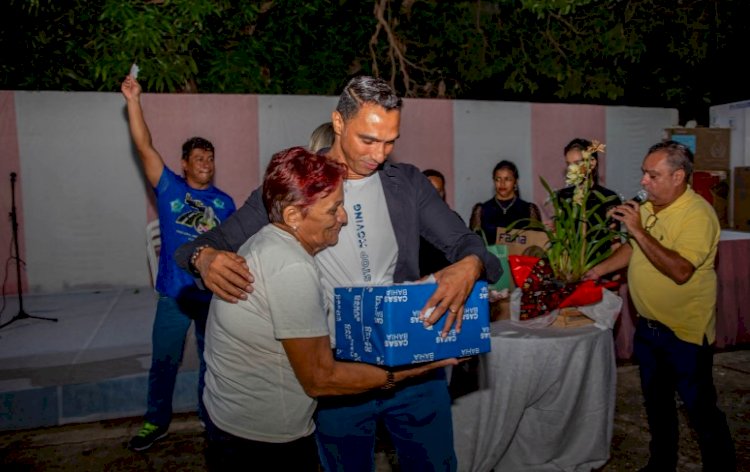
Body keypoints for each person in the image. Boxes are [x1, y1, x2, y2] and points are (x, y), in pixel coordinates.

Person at [174, 75, 501, 471]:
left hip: (411, 364)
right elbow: (196, 246)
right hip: (336, 372)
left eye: (390, 141)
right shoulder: (299, 189)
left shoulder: (408, 184)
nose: (380, 154)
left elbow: (474, 248)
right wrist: (203, 259)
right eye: (369, 139)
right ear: (339, 122)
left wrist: (469, 266)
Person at [203, 146, 457, 470]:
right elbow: (321, 378)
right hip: (263, 444)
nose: (344, 217)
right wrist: (405, 372)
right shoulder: (290, 266)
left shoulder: (269, 241)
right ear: (294, 215)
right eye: (334, 208)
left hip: (235, 424)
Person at [586, 141, 736, 471]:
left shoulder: (698, 215)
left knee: (701, 409)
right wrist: (598, 269)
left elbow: (681, 270)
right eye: (644, 174)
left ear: (678, 176)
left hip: (685, 333)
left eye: (653, 175)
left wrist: (638, 231)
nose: (644, 182)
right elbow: (633, 251)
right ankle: (661, 464)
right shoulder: (651, 207)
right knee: (657, 405)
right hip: (649, 328)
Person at [120, 75, 237, 451]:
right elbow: (143, 145)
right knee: (164, 361)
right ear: (185, 164)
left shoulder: (225, 202)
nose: (206, 162)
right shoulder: (170, 187)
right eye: (198, 158)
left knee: (213, 361)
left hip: (210, 296)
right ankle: (156, 422)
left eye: (211, 157)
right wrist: (134, 101)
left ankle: (209, 418)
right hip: (173, 294)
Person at [558, 138, 621, 259]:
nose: (572, 169)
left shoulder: (608, 198)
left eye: (577, 163)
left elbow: (614, 241)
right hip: (570, 267)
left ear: (592, 163)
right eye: (568, 164)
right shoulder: (563, 196)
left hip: (599, 268)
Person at [478, 160, 541, 244]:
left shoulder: (528, 209)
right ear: (494, 181)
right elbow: (473, 242)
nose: (502, 183)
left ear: (515, 182)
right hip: (489, 257)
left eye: (507, 179)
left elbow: (536, 243)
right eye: (498, 179)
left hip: (520, 256)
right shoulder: (482, 210)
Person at [419, 168, 451, 277]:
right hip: (416, 285)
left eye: (439, 191)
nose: (435, 195)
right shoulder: (408, 221)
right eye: (430, 189)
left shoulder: (453, 219)